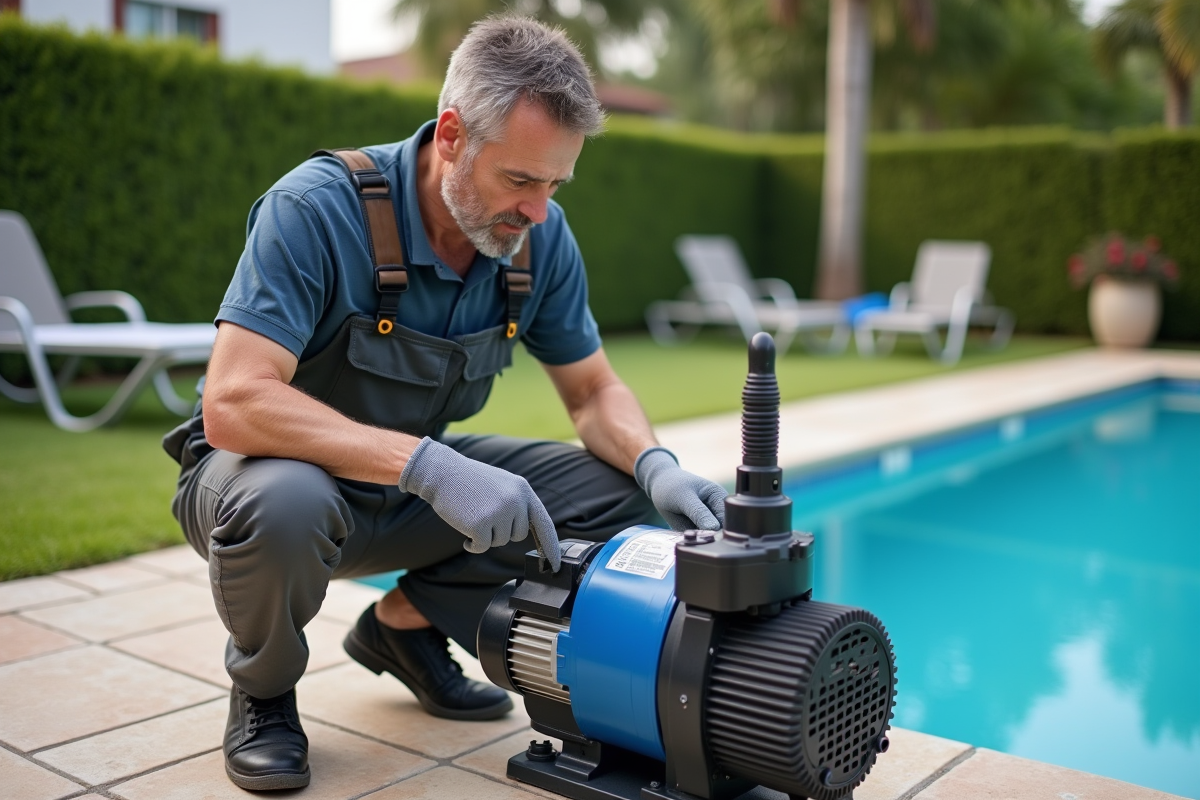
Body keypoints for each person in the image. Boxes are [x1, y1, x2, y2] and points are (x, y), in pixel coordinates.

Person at [163, 15, 727, 793]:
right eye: (521, 180)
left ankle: (404, 625)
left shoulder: (538, 240)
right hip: (258, 483)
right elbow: (234, 402)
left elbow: (593, 390)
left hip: (400, 490)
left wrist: (657, 465)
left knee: (617, 492)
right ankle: (263, 696)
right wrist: (428, 467)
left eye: (556, 184)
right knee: (288, 499)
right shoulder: (316, 209)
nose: (538, 211)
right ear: (454, 136)